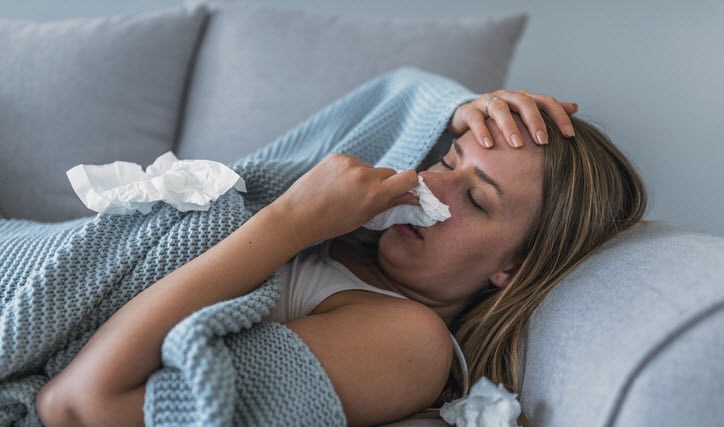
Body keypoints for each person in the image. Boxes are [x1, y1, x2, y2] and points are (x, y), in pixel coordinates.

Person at [35, 90, 646, 427]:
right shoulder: (345, 241)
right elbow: (397, 91)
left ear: (511, 269)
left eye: (479, 200)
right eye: (449, 160)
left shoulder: (405, 341)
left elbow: (81, 407)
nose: (432, 187)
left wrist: (291, 221)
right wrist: (458, 106)